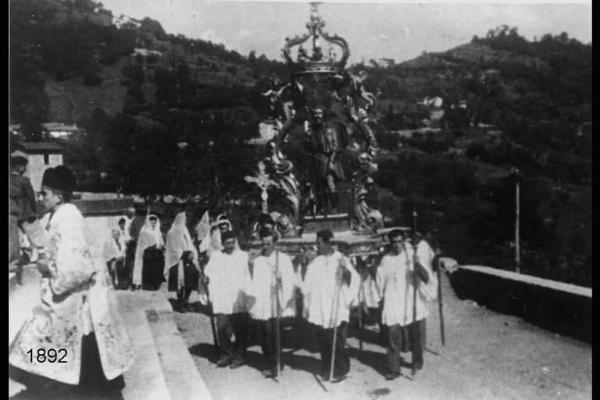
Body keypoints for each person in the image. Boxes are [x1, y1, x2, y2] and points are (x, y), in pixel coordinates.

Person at [9, 166, 134, 396]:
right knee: (63, 358)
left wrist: (48, 268)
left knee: (76, 362)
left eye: (44, 193)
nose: (40, 197)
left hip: (80, 304)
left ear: (58, 195)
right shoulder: (59, 216)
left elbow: (78, 269)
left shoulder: (69, 218)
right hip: (72, 304)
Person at [376, 229, 438, 380]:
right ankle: (393, 368)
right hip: (393, 301)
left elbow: (426, 277)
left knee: (415, 334)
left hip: (410, 299)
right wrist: (380, 299)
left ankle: (417, 360)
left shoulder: (412, 256)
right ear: (390, 244)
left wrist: (418, 267)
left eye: (399, 242)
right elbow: (379, 282)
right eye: (394, 242)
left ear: (404, 242)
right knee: (393, 334)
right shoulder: (385, 260)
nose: (397, 245)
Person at [303, 229, 360, 382]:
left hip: (336, 306)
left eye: (319, 243)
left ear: (328, 242)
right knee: (323, 339)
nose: (317, 246)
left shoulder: (341, 259)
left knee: (337, 340)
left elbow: (354, 281)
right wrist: (307, 305)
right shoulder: (316, 261)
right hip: (320, 308)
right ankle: (327, 368)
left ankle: (341, 369)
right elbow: (308, 284)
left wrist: (344, 271)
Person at [247, 228, 296, 378]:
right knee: (264, 334)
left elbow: (291, 280)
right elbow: (252, 281)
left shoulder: (283, 259)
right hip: (263, 303)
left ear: (275, 243)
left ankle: (276, 364)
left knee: (274, 334)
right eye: (263, 243)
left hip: (276, 302)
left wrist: (281, 281)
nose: (266, 246)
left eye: (269, 243)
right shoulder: (258, 261)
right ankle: (269, 362)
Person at [203, 230, 251, 369]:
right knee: (222, 327)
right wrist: (206, 277)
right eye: (227, 243)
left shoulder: (243, 256)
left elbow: (249, 274)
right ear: (222, 243)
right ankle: (226, 355)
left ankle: (239, 356)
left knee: (240, 329)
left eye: (232, 242)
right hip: (222, 298)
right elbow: (208, 271)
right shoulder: (216, 256)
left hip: (238, 298)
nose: (230, 245)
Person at [305, 107, 346, 214]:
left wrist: (331, 161)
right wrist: (308, 137)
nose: (317, 116)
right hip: (316, 160)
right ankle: (322, 207)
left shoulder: (330, 129)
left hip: (328, 159)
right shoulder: (312, 130)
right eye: (315, 114)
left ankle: (334, 207)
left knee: (329, 183)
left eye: (319, 113)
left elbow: (336, 146)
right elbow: (310, 148)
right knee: (319, 186)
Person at [165, 211, 200, 310]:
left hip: (188, 261)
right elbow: (172, 249)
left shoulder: (185, 230)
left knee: (190, 281)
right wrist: (184, 254)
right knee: (180, 283)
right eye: (182, 220)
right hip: (178, 262)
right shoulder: (171, 233)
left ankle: (186, 300)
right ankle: (180, 303)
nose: (183, 222)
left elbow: (189, 244)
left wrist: (192, 253)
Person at [9, 153, 38, 268]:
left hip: (14, 212)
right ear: (19, 167)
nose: (25, 168)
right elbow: (31, 196)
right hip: (26, 212)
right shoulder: (24, 180)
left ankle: (23, 255)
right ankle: (35, 255)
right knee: (33, 235)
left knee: (15, 237)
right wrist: (35, 210)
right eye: (24, 166)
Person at [132, 214, 165, 290]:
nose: (153, 224)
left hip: (157, 254)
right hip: (148, 254)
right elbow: (144, 244)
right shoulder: (145, 231)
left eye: (155, 223)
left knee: (156, 270)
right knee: (149, 270)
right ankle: (148, 285)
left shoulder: (158, 232)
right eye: (152, 223)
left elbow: (161, 241)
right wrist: (153, 246)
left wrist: (161, 246)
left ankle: (156, 285)